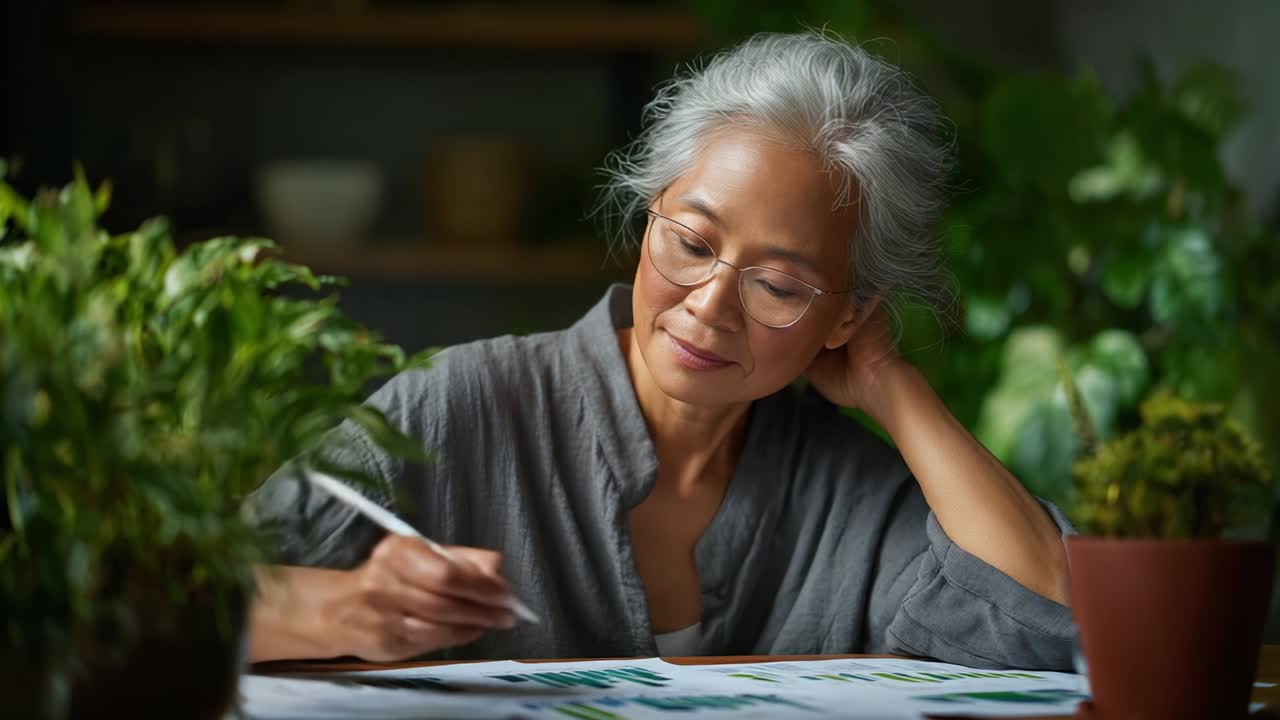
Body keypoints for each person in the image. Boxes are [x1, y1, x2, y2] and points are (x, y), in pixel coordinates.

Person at [246, 31, 1075, 670]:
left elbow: (1055, 619)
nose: (709, 306)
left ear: (848, 317)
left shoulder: (849, 489)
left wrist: (894, 386)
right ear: (648, 218)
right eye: (690, 242)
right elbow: (152, 603)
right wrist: (343, 607)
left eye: (780, 288)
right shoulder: (456, 405)